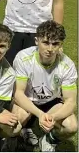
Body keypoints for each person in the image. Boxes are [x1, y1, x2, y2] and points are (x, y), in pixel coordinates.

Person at [12, 20, 77, 151]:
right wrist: (40, 114)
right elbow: (18, 93)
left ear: (61, 45)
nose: (50, 49)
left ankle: (49, 139)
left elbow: (71, 101)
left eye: (55, 44)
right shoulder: (23, 58)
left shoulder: (67, 65)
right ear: (37, 41)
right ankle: (21, 132)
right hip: (27, 100)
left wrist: (53, 117)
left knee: (71, 126)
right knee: (16, 122)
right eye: (46, 42)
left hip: (51, 102)